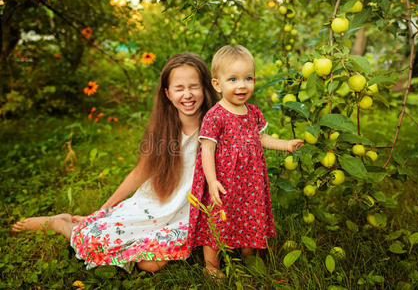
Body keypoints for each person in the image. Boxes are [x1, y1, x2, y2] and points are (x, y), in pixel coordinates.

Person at [11, 52, 218, 273]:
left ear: (206, 88)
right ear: (167, 94)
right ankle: (61, 224)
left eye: (194, 86)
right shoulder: (164, 131)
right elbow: (139, 173)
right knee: (97, 239)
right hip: (155, 205)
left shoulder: (217, 125)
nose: (187, 94)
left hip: (187, 213)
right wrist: (101, 211)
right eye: (179, 88)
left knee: (150, 264)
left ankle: (108, 233)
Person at [187, 45, 304, 275]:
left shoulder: (253, 112)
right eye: (233, 79)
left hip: (250, 182)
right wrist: (211, 182)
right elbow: (207, 151)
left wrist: (286, 145)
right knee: (217, 222)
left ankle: (248, 255)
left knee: (249, 214)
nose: (242, 85)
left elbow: (261, 138)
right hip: (223, 182)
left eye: (247, 78)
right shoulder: (215, 115)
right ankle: (211, 267)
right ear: (217, 84)